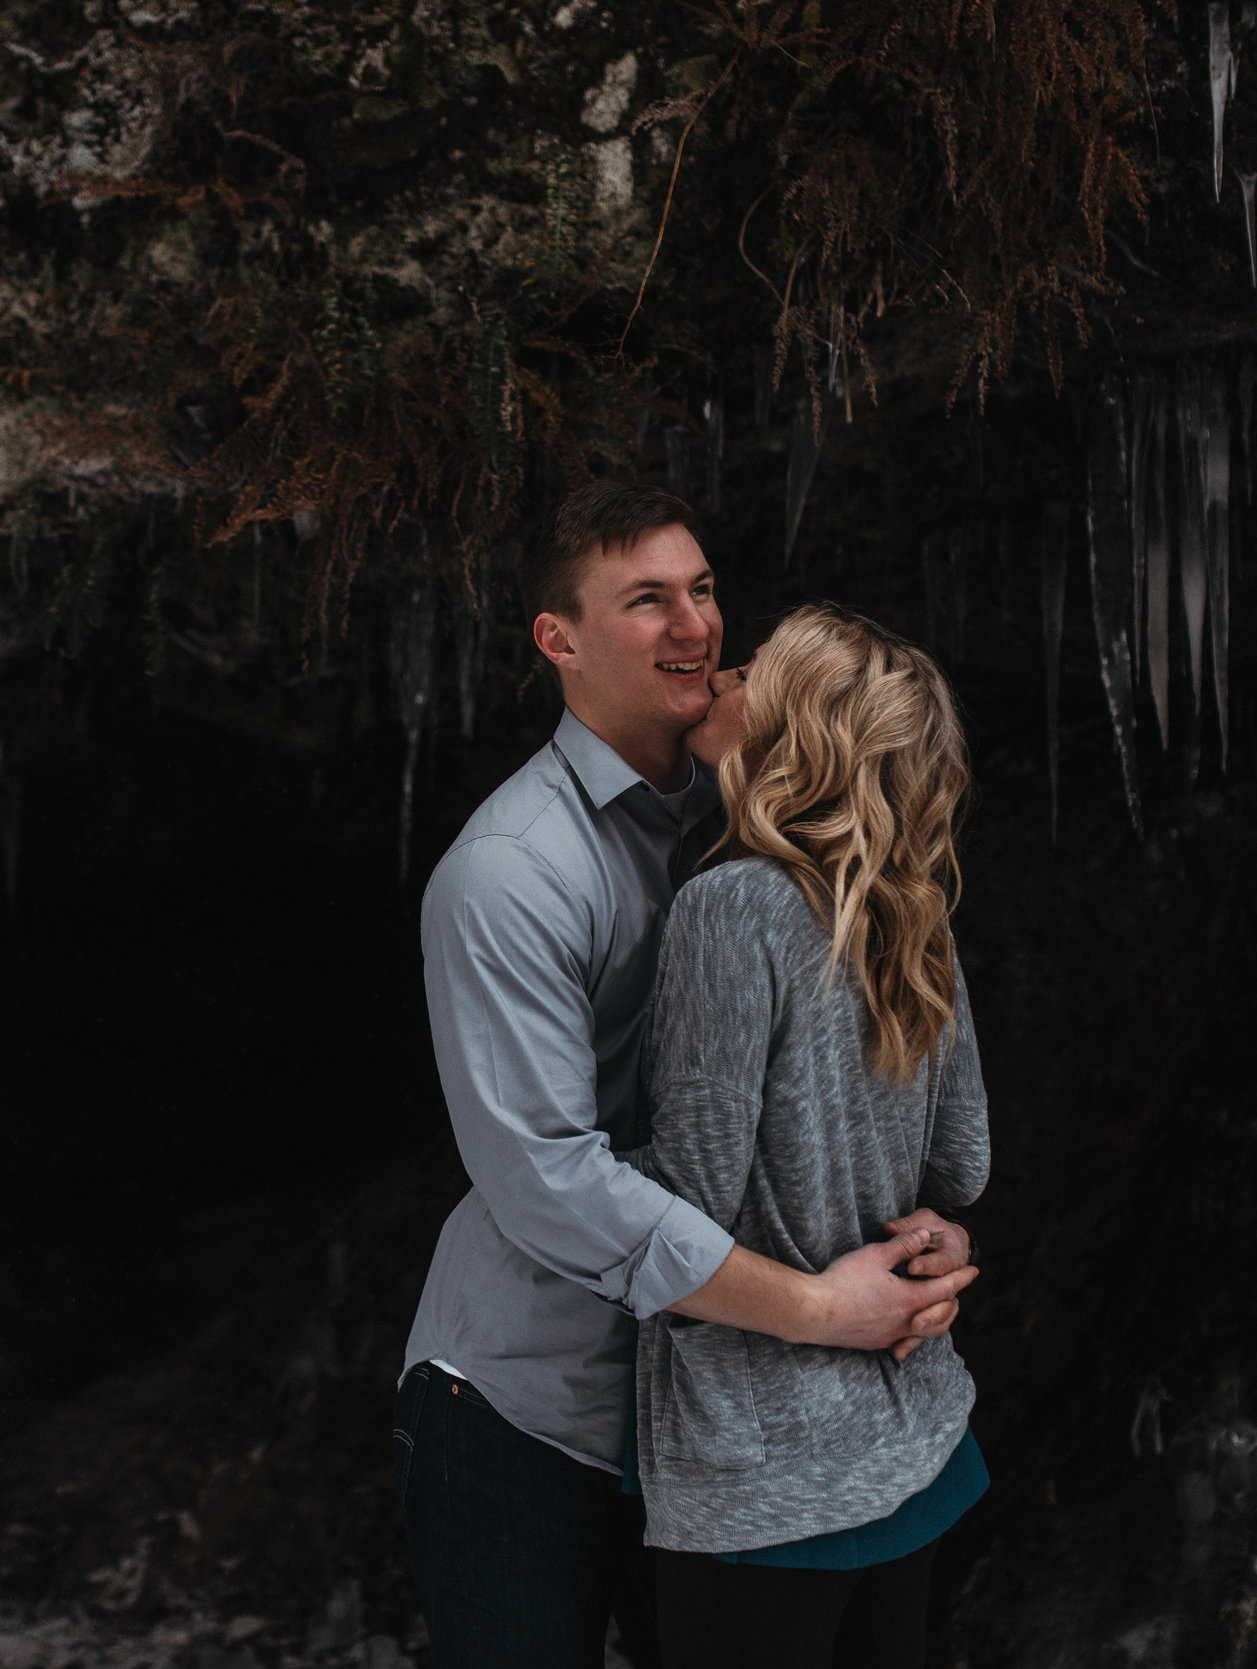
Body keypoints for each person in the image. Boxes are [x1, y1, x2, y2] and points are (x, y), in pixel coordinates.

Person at [393, 483, 978, 1669]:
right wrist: (827, 1308)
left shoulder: (772, 817)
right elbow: (546, 1180)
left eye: (702, 590)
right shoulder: (510, 872)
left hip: (722, 1410)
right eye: (646, 601)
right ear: (558, 639)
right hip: (533, 1400)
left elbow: (886, 1104)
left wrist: (928, 1235)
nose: (697, 629)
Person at [631, 605, 989, 1669]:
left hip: (766, 1472)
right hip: (913, 1440)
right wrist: (942, 1239)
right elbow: (962, 1165)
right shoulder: (912, 907)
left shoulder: (731, 907)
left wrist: (551, 1172)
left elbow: (687, 1197)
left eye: (748, 673)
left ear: (786, 736)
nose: (718, 674)